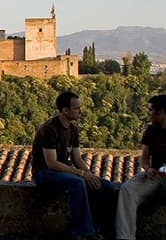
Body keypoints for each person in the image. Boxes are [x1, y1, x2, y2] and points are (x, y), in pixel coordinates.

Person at [32, 91, 115, 240]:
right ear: (64, 110)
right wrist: (82, 175)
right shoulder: (49, 129)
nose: (80, 111)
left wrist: (89, 175)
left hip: (64, 172)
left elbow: (77, 158)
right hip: (44, 173)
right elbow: (52, 163)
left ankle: (100, 228)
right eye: (76, 108)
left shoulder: (73, 129)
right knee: (77, 183)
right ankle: (83, 233)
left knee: (105, 186)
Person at [115, 94, 166, 240]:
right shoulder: (151, 131)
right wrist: (148, 168)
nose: (149, 114)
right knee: (127, 189)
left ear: (161, 112)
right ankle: (125, 236)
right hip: (157, 174)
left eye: (151, 110)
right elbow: (145, 157)